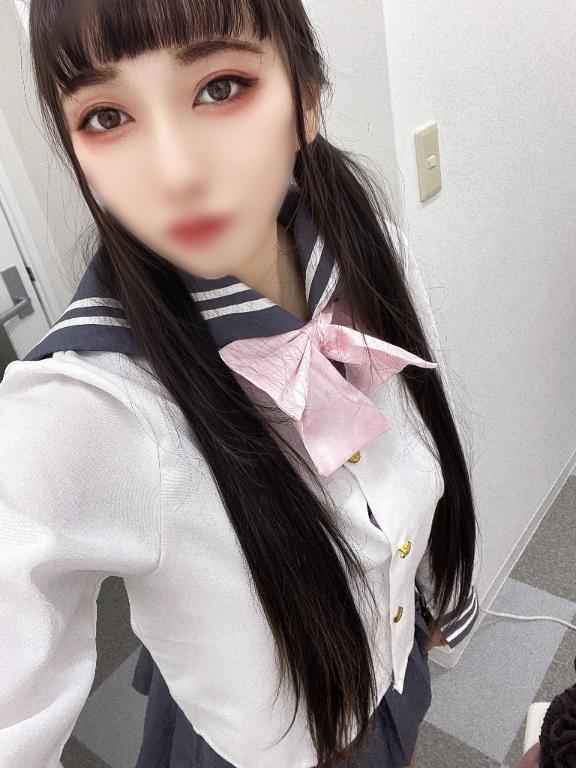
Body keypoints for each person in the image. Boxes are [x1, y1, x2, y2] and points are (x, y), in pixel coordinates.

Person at [0, 1, 480, 767]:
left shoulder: (372, 252)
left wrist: (427, 612)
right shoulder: (84, 408)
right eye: (107, 117)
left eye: (220, 87)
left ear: (307, 97)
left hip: (396, 673)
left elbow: (423, 453)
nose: (175, 173)